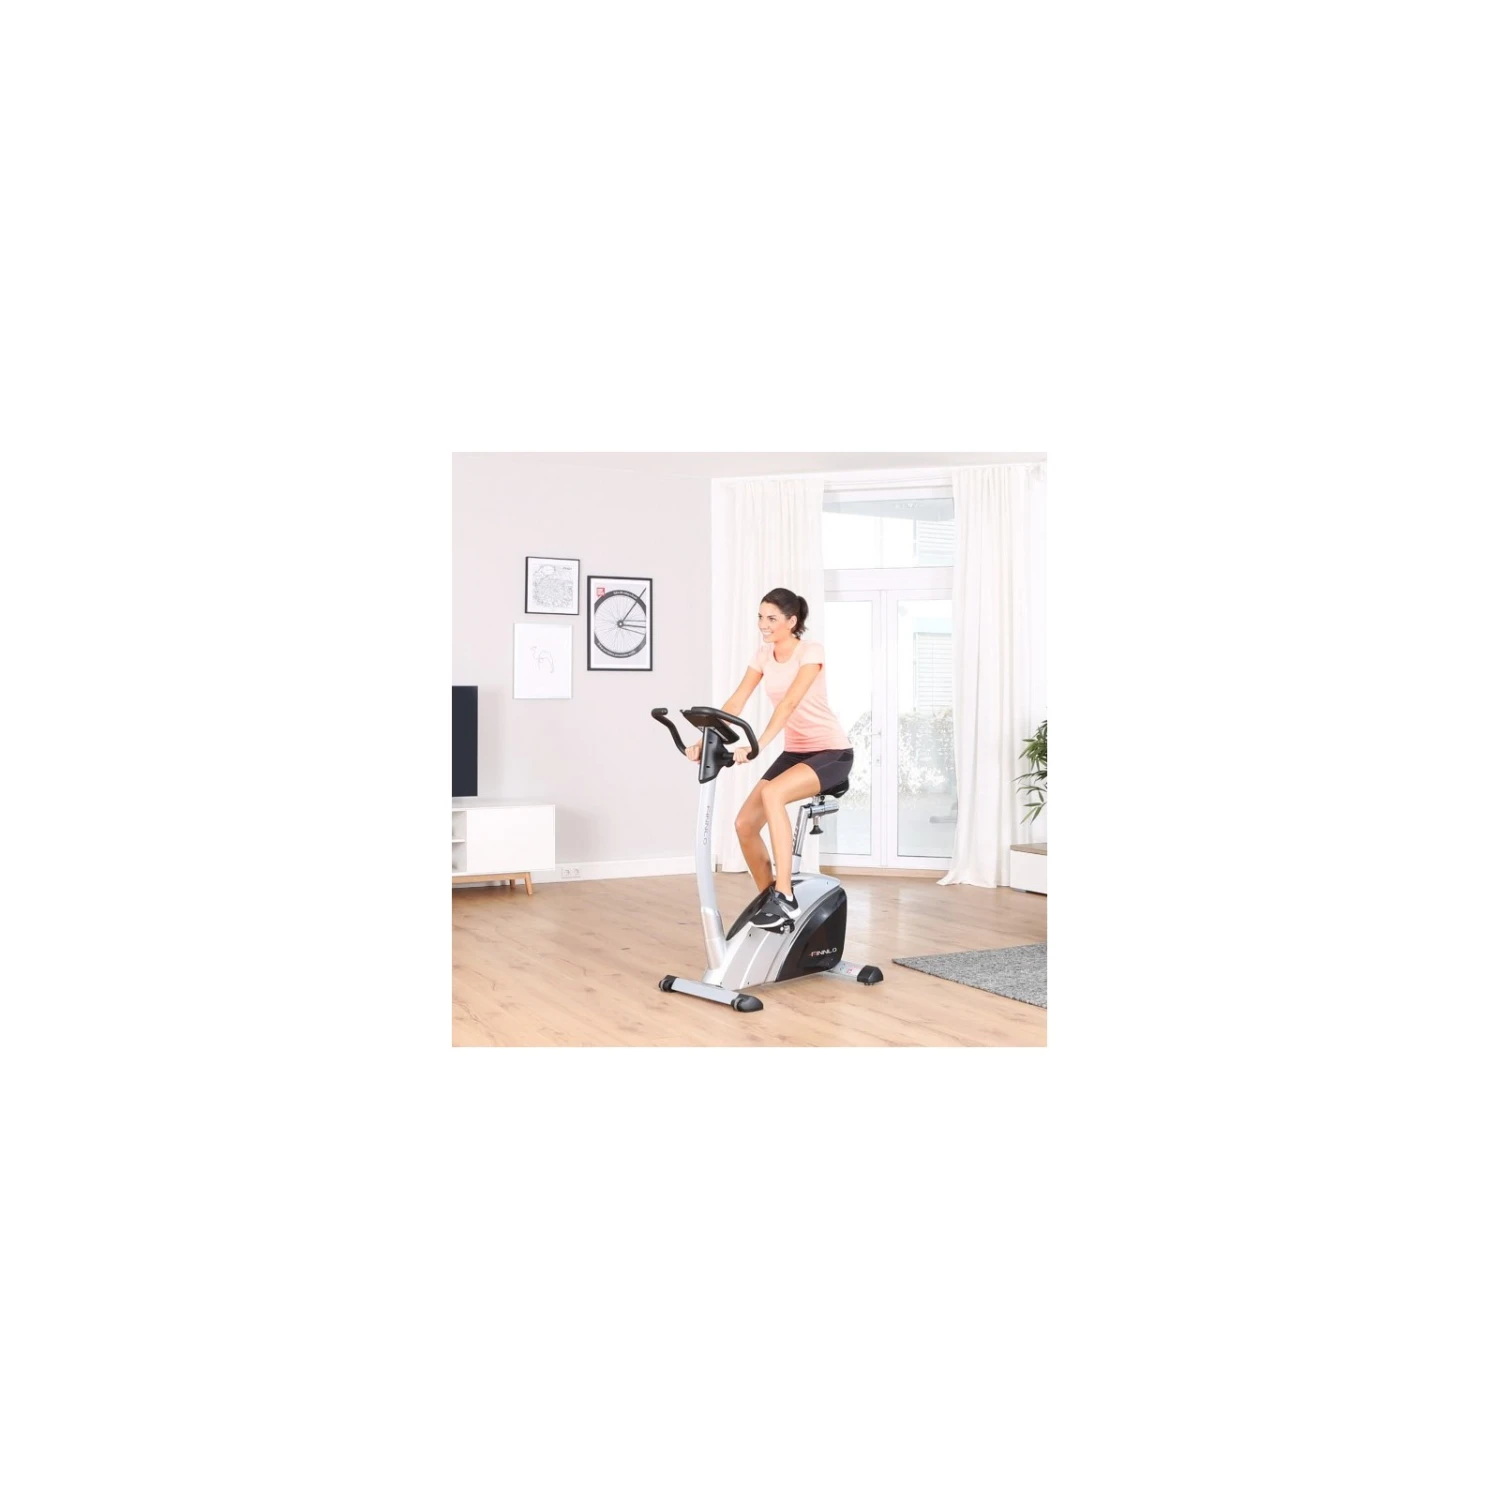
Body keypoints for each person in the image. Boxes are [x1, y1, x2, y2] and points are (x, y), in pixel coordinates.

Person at [687, 588, 853, 928]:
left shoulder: (810, 652)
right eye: (760, 617)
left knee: (773, 794)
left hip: (832, 752)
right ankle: (771, 903)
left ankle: (785, 895)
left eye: (772, 618)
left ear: (792, 621)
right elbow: (736, 702)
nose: (763, 624)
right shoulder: (763, 655)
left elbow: (789, 703)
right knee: (745, 824)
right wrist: (705, 739)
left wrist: (757, 746)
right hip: (795, 752)